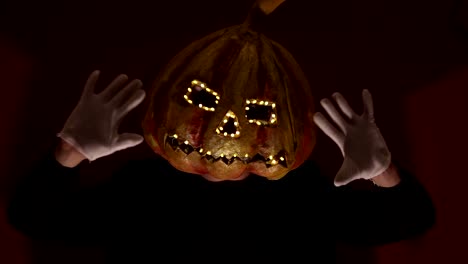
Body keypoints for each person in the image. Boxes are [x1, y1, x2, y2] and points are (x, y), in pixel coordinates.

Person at [7, 1, 434, 264]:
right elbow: (32, 217)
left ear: (285, 120)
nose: (226, 128)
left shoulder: (303, 192)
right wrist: (69, 152)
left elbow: (413, 219)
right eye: (204, 101)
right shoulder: (142, 188)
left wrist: (384, 171)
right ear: (167, 104)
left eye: (257, 111)